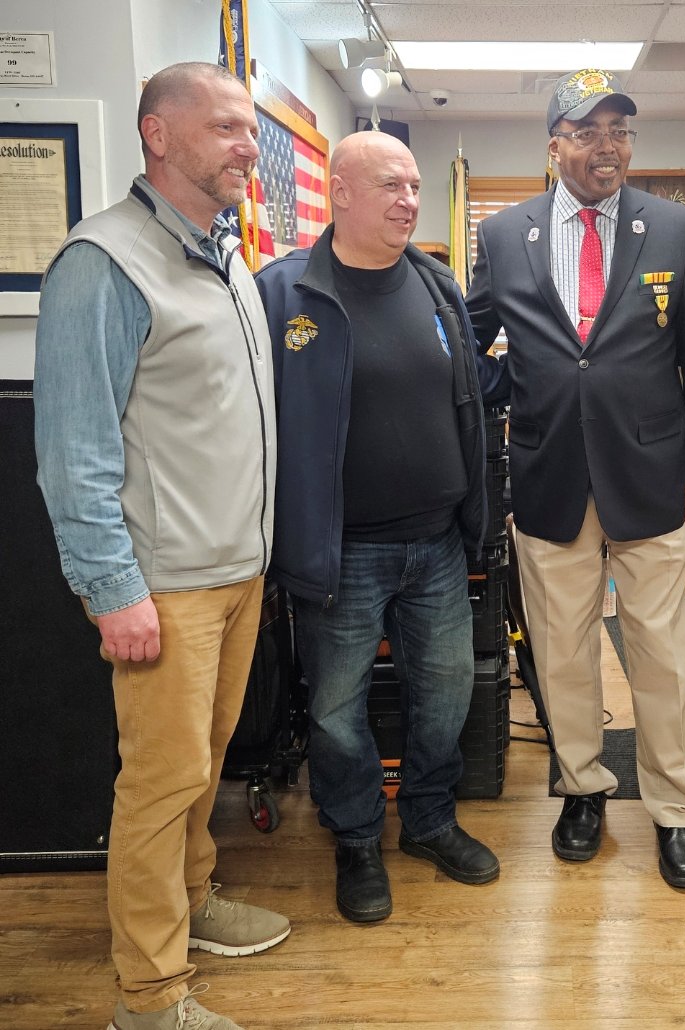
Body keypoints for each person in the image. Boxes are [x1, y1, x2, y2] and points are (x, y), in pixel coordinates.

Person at [34, 62, 288, 1030]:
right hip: (164, 584)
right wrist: (112, 589)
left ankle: (192, 895)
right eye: (226, 127)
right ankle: (147, 997)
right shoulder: (105, 261)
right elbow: (74, 451)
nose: (246, 147)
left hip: (235, 571)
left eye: (249, 129)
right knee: (158, 783)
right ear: (158, 134)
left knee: (204, 764)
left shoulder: (223, 256)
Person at [466, 69, 685, 889]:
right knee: (562, 652)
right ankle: (582, 789)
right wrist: (515, 391)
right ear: (555, 148)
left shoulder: (676, 229)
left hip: (652, 477)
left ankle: (676, 809)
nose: (607, 146)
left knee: (664, 656)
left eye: (619, 131)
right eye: (587, 132)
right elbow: (471, 344)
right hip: (549, 477)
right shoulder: (503, 235)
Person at [256, 131, 505, 925]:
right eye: (391, 185)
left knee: (447, 694)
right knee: (336, 710)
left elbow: (472, 392)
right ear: (341, 193)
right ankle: (357, 836)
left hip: (437, 544)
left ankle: (429, 819)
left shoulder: (436, 284)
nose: (409, 201)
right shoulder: (284, 295)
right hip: (341, 553)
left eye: (415, 186)